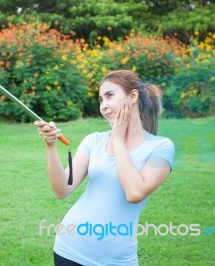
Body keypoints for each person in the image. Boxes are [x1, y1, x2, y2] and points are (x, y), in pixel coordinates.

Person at [34, 70, 175, 266]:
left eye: (109, 96)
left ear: (132, 96)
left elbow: (134, 193)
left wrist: (118, 139)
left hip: (116, 261)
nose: (104, 106)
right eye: (101, 100)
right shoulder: (94, 141)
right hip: (68, 249)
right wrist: (51, 146)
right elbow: (61, 190)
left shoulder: (162, 148)